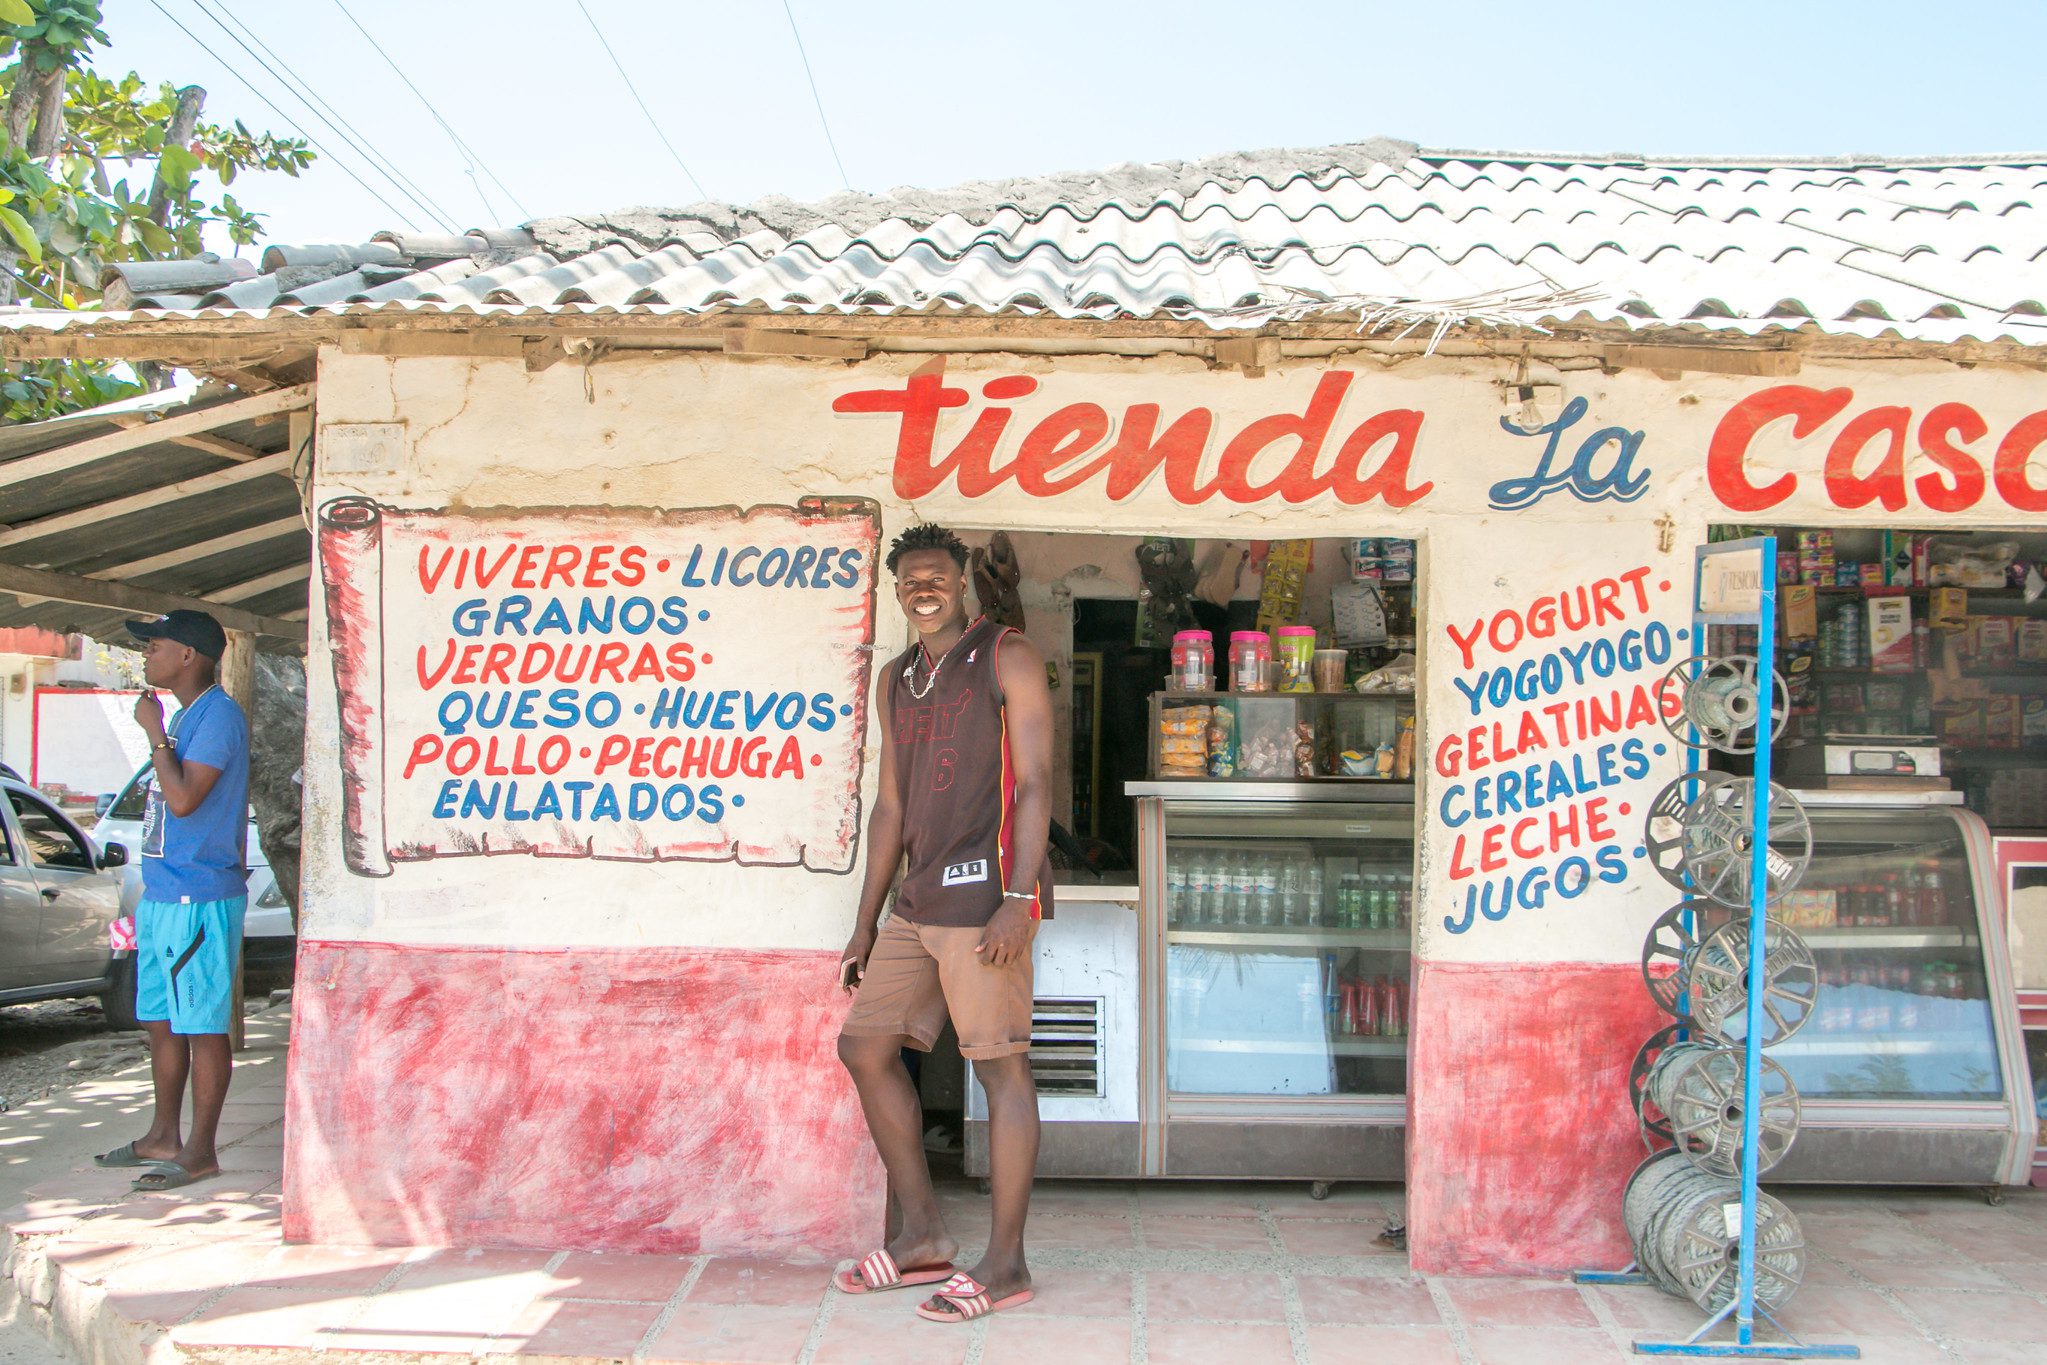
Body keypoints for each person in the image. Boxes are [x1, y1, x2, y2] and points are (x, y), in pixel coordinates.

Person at [834, 523, 1053, 1324]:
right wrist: (866, 922)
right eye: (908, 580)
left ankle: (1006, 1262)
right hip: (917, 901)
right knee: (863, 1044)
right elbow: (890, 804)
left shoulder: (1006, 654)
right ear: (898, 592)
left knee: (999, 1068)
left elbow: (1033, 781)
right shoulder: (896, 677)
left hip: (985, 897)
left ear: (961, 581)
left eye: (936, 575)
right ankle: (924, 1232)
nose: (922, 588)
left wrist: (1020, 895)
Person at [93, 610, 250, 1192]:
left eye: (154, 645)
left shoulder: (217, 718)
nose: (146, 654)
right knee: (160, 1020)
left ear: (189, 655)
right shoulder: (186, 717)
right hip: (163, 893)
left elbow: (183, 799)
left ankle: (201, 1150)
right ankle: (163, 1135)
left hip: (199, 896)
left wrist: (153, 733)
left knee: (202, 1025)